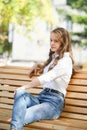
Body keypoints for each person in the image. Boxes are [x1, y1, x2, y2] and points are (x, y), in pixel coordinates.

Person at [10, 27, 74, 130]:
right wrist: (38, 65)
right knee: (20, 93)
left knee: (20, 116)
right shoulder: (54, 58)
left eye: (56, 41)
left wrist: (25, 86)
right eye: (51, 40)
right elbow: (49, 70)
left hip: (53, 104)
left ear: (64, 42)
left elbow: (47, 77)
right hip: (41, 98)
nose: (52, 43)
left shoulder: (66, 61)